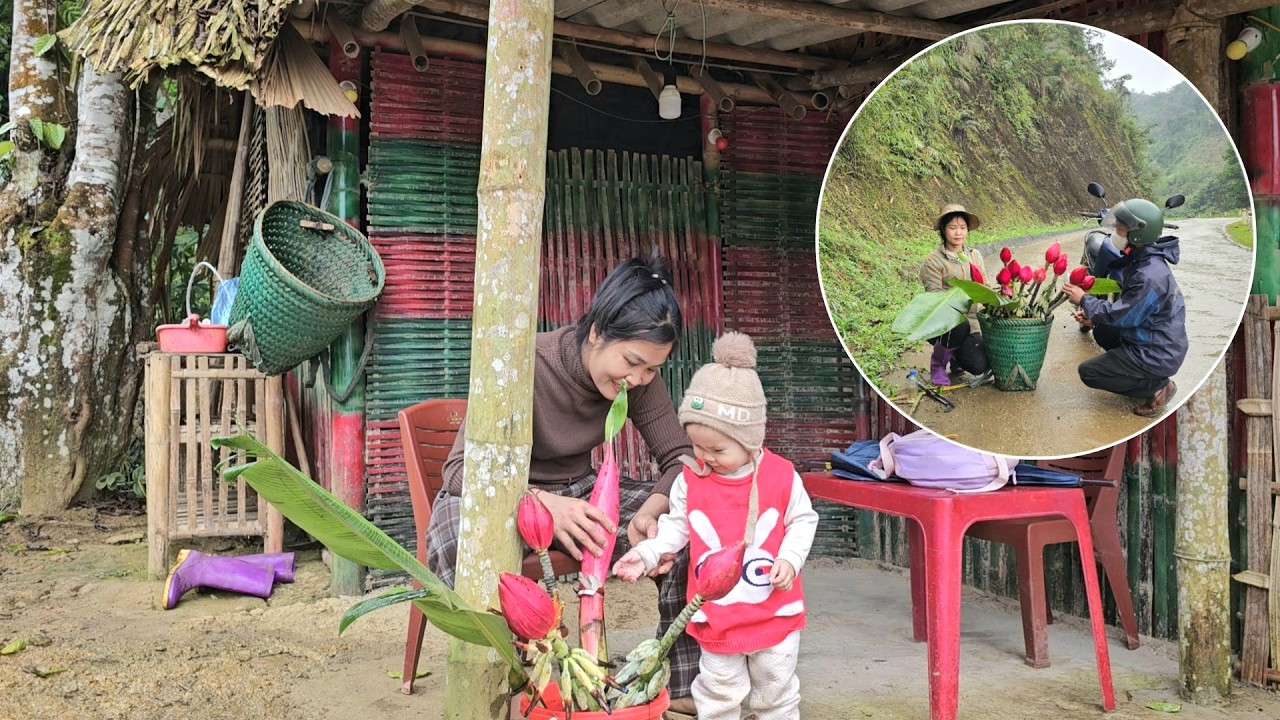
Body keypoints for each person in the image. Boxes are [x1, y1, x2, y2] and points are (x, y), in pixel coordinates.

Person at [425, 253, 701, 715]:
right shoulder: (525, 364)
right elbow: (457, 473)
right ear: (596, 332)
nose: (638, 378)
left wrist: (656, 505)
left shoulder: (639, 383)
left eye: (653, 369)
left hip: (582, 494)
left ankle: (681, 679)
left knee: (691, 518)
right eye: (632, 361)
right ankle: (516, 671)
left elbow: (682, 458)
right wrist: (542, 504)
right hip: (506, 498)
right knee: (455, 539)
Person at [612, 331, 818, 720]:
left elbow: (803, 519)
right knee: (717, 692)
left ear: (752, 440)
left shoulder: (782, 476)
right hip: (716, 616)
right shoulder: (691, 480)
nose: (705, 457)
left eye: (717, 450)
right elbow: (675, 528)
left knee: (776, 690)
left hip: (774, 611)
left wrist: (790, 558)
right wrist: (644, 554)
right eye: (696, 447)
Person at [1063, 198, 1186, 417]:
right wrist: (1094, 318)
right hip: (1156, 339)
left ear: (1138, 235)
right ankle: (1140, 376)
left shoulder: (1148, 276)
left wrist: (1084, 299)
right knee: (1101, 330)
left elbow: (1123, 315)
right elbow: (1130, 310)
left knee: (1088, 373)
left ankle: (1157, 387)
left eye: (1120, 229)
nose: (1115, 234)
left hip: (1156, 353)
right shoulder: (1144, 259)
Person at [918, 203, 991, 386]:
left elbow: (985, 286)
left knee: (979, 364)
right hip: (944, 322)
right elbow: (935, 299)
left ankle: (956, 357)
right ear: (943, 229)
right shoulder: (933, 261)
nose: (958, 233)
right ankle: (938, 364)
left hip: (972, 322)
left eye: (962, 228)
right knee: (958, 325)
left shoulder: (975, 256)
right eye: (952, 227)